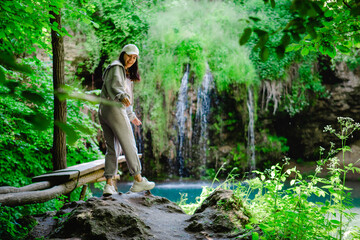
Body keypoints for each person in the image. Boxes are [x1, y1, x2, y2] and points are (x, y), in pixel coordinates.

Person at [98, 44, 155, 196]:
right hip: (115, 109)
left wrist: (131, 117)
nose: (131, 59)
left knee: (113, 148)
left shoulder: (125, 72)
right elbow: (116, 86)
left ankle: (109, 184)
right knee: (129, 144)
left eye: (134, 57)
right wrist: (121, 96)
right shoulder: (117, 67)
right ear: (123, 54)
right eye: (129, 55)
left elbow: (124, 94)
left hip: (104, 111)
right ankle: (138, 179)